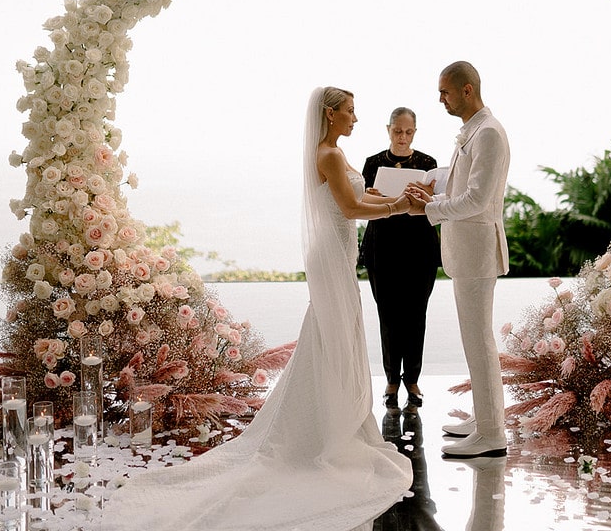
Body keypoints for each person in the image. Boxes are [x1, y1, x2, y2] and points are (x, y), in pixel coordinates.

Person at [105, 87, 413, 531]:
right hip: (332, 250)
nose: (356, 118)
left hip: (342, 250)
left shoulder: (336, 153)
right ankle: (326, 429)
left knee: (336, 330)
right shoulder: (326, 155)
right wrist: (400, 206)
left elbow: (365, 201)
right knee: (332, 329)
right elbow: (349, 207)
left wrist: (401, 204)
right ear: (330, 114)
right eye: (350, 111)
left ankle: (337, 415)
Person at [405, 61, 510, 460]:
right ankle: (485, 420)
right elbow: (464, 182)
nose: (440, 99)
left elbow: (478, 199)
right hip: (467, 251)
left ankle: (492, 434)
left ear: (467, 90)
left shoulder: (488, 134)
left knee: (480, 342)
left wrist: (428, 207)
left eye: (445, 92)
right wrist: (435, 183)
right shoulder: (476, 131)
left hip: (478, 252)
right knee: (475, 341)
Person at [360, 107, 441, 410]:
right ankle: (391, 379)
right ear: (388, 130)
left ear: (415, 132)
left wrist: (421, 196)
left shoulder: (428, 164)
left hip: (420, 248)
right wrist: (381, 197)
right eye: (398, 131)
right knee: (388, 316)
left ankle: (413, 379)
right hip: (382, 248)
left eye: (408, 132)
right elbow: (362, 200)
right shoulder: (372, 163)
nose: (403, 137)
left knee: (416, 314)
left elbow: (434, 204)